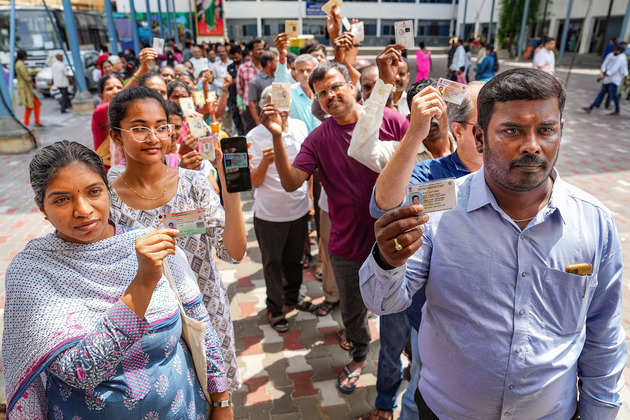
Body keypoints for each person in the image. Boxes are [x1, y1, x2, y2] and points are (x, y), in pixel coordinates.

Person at [360, 68, 627, 419]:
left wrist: (600, 413)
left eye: (546, 130)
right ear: (480, 139)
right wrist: (386, 258)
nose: (532, 144)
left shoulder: (595, 224)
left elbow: (603, 335)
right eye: (512, 131)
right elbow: (383, 300)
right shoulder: (436, 212)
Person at [3, 140, 232, 419]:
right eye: (62, 199)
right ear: (42, 207)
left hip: (184, 409)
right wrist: (143, 284)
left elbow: (201, 327)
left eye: (94, 192)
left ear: (108, 192)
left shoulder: (148, 244)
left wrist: (221, 402)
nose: (83, 209)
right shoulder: (32, 272)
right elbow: (80, 370)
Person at [265, 60, 408, 394]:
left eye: (335, 86)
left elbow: (424, 160)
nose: (330, 96)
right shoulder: (318, 138)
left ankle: (406, 359)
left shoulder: (390, 121)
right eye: (322, 93)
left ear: (352, 84)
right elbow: (290, 183)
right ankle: (359, 355)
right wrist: (276, 138)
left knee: (400, 307)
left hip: (394, 240)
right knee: (353, 311)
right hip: (346, 243)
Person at [107, 87, 247, 392]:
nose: (153, 137)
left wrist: (230, 187)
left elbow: (232, 253)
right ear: (117, 136)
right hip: (148, 325)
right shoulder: (106, 195)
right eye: (139, 128)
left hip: (207, 314)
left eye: (161, 127)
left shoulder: (194, 184)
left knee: (217, 398)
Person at [248, 86, 313, 332]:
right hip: (269, 214)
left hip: (297, 209)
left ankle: (292, 297)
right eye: (273, 104)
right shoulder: (253, 137)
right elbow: (253, 182)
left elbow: (307, 168)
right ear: (265, 108)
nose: (280, 110)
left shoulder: (299, 127)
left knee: (295, 260)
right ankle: (274, 308)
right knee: (272, 264)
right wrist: (265, 161)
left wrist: (309, 200)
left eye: (283, 103)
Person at [348, 47, 454, 174]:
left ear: (446, 110)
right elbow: (360, 149)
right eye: (423, 112)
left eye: (435, 108)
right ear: (410, 119)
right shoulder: (399, 153)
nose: (430, 117)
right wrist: (383, 84)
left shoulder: (467, 143)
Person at [583, 45, 628, 116]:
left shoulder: (622, 58)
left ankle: (617, 110)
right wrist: (603, 72)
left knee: (614, 96)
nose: (614, 51)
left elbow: (615, 69)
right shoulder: (610, 55)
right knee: (601, 94)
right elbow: (605, 63)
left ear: (620, 51)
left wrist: (603, 77)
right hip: (606, 79)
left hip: (614, 80)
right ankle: (590, 108)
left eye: (616, 50)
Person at [92, 74, 124, 169]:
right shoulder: (99, 112)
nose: (116, 91)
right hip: (108, 169)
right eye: (110, 89)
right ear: (101, 96)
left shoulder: (126, 111)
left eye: (119, 87)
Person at [237, 39, 264, 133]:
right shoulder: (243, 68)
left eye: (262, 49)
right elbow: (240, 89)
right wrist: (248, 100)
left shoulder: (268, 67)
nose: (261, 51)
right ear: (251, 52)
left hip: (265, 107)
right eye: (258, 49)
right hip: (249, 110)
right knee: (251, 134)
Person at [289, 54, 320, 134]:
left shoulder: (324, 92)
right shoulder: (288, 92)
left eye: (309, 70)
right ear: (296, 73)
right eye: (301, 71)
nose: (305, 74)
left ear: (316, 71)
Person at [247, 51, 278, 130]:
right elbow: (252, 104)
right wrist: (259, 123)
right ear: (269, 63)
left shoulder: (277, 78)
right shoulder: (255, 81)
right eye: (276, 61)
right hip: (264, 122)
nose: (278, 64)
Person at [15, 49, 42, 127]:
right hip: (25, 88)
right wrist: (36, 86)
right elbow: (26, 77)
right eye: (26, 55)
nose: (27, 57)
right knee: (31, 105)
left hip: (26, 87)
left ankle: (32, 122)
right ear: (23, 56)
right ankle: (28, 123)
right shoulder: (20, 64)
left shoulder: (19, 63)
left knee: (34, 104)